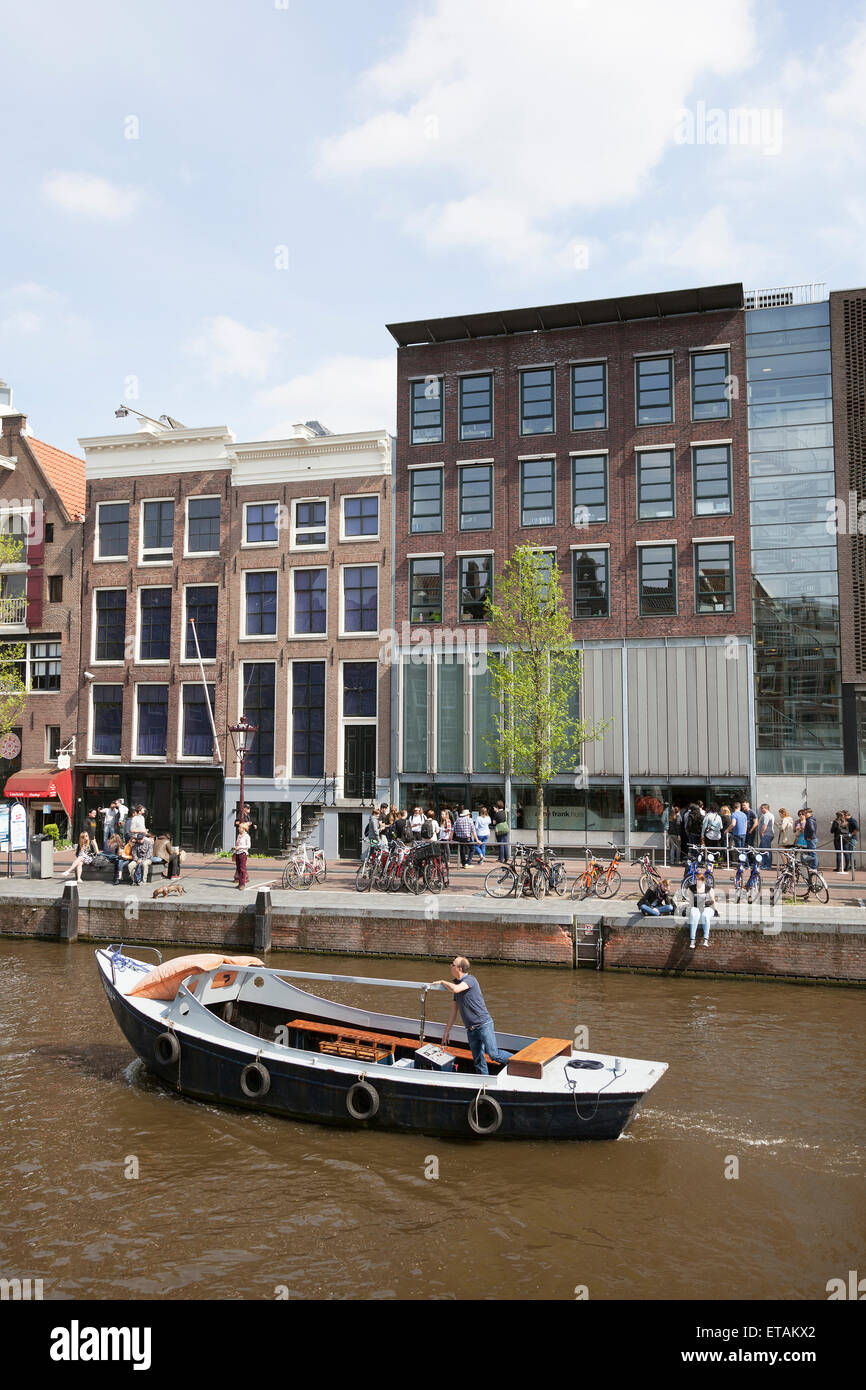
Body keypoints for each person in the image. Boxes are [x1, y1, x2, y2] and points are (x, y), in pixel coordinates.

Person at [432, 956, 512, 1075]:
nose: (450, 966)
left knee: (493, 1054)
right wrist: (446, 1031)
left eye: (452, 964)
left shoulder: (470, 980)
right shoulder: (457, 984)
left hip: (483, 1025)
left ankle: (521, 1062)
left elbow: (456, 989)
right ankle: (484, 1082)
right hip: (471, 1029)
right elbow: (454, 1011)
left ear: (459, 968)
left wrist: (443, 982)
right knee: (478, 1060)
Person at [684, 871, 716, 948]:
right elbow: (691, 902)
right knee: (694, 917)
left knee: (705, 916)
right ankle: (692, 940)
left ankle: (706, 939)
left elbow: (713, 900)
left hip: (708, 907)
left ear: (703, 880)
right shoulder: (691, 889)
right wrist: (689, 910)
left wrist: (716, 910)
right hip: (696, 907)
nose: (696, 881)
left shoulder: (709, 889)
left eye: (698, 879)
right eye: (696, 879)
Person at [757, 803, 775, 869]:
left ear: (766, 808)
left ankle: (767, 865)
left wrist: (762, 832)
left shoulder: (766, 815)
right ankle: (764, 863)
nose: (761, 809)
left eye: (762, 808)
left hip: (766, 835)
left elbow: (765, 825)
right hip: (767, 835)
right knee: (762, 849)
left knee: (765, 850)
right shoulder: (768, 815)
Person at [234, 821, 251, 890]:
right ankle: (240, 883)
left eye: (240, 827)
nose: (238, 828)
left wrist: (240, 847)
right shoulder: (239, 835)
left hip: (243, 853)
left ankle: (242, 884)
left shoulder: (247, 836)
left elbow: (248, 846)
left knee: (242, 869)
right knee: (238, 868)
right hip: (238, 853)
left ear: (243, 828)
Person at [803, 807, 818, 871]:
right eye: (804, 813)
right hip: (812, 838)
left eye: (806, 813)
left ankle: (814, 867)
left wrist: (809, 837)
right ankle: (812, 866)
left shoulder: (810, 820)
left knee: (812, 853)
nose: (805, 814)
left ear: (810, 813)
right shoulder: (810, 819)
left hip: (811, 839)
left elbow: (812, 829)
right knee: (811, 853)